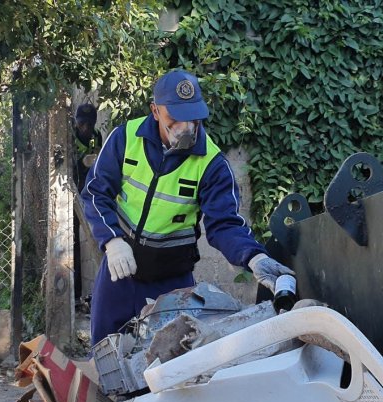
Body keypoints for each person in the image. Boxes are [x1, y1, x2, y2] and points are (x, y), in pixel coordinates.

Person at [80, 69, 294, 345]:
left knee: (171, 364)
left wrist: (254, 258)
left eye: (193, 117)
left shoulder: (212, 164)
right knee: (105, 353)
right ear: (155, 111)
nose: (186, 127)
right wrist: (112, 241)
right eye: (175, 118)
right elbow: (96, 192)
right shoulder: (125, 138)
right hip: (120, 271)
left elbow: (224, 224)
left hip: (172, 281)